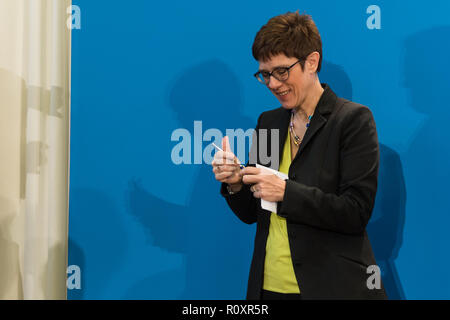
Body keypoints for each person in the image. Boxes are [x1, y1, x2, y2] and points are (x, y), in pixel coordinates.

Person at [212, 12, 387, 300]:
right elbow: (251, 213)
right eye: (265, 74)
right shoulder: (269, 122)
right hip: (269, 287)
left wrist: (286, 192)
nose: (272, 83)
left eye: (281, 71)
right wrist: (234, 183)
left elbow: (355, 213)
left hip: (331, 288)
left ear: (312, 62)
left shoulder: (353, 120)